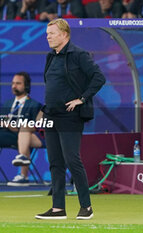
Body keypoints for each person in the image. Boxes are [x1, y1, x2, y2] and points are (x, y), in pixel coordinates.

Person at [35, 18, 105, 220]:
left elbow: (99, 77)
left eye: (52, 33)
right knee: (55, 162)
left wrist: (82, 99)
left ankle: (86, 207)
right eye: (47, 34)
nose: (48, 37)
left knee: (72, 160)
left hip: (70, 116)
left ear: (64, 34)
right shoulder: (51, 56)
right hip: (51, 115)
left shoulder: (79, 55)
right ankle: (58, 208)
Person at [0, 71, 44, 187]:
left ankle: (23, 175)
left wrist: (8, 125)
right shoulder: (8, 103)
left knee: (24, 134)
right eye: (12, 83)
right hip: (8, 135)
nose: (14, 86)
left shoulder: (34, 105)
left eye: (18, 83)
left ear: (26, 86)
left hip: (24, 135)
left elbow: (34, 127)